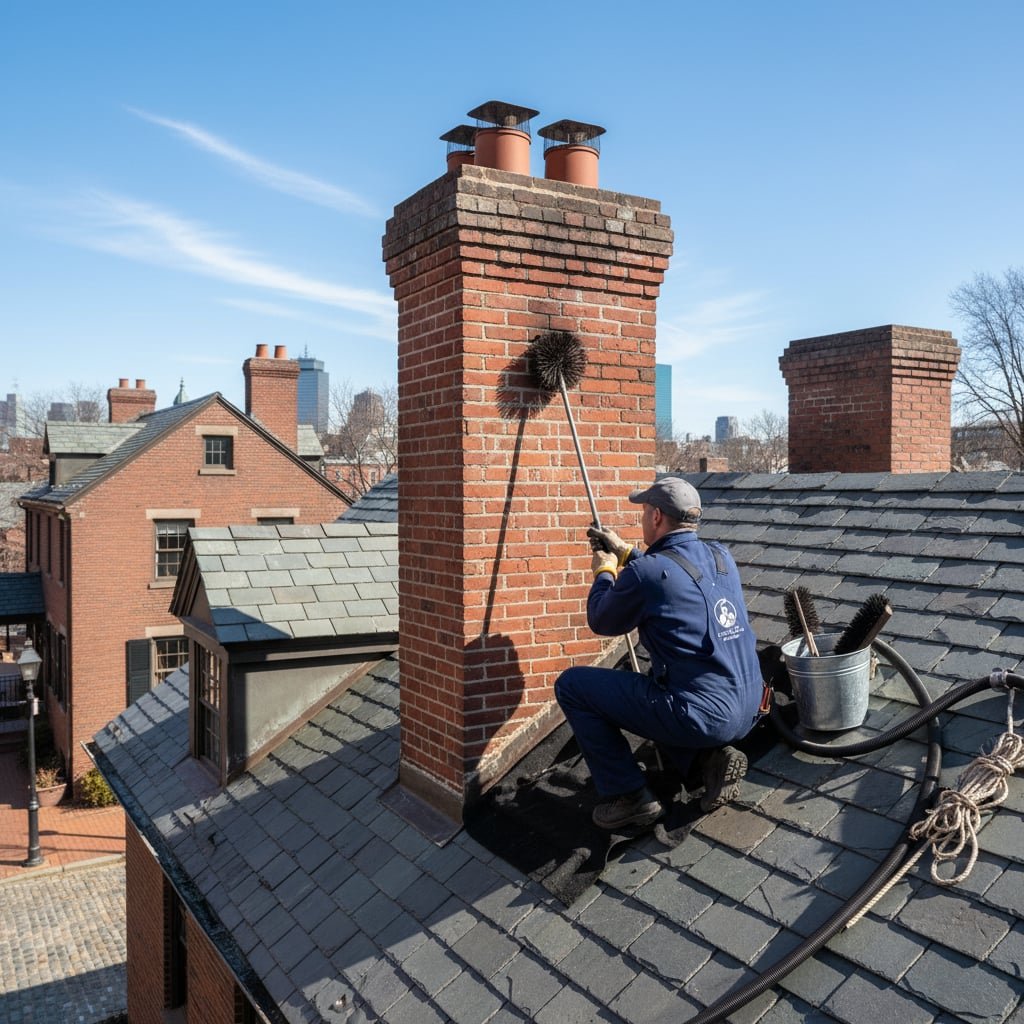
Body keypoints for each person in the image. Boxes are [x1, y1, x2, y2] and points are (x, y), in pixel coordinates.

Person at [554, 477, 764, 830]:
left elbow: (602, 619)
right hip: (750, 706)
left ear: (655, 517)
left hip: (704, 716)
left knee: (573, 686)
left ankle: (631, 797)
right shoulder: (720, 555)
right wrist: (625, 552)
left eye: (644, 512)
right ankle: (708, 763)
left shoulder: (646, 573)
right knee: (669, 687)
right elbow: (678, 576)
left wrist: (605, 570)